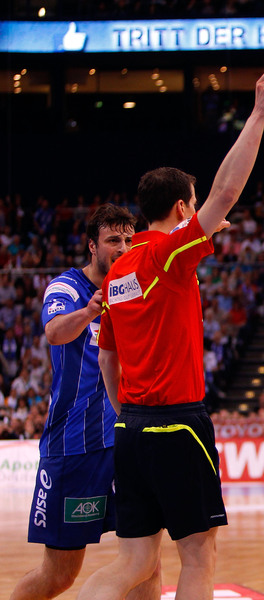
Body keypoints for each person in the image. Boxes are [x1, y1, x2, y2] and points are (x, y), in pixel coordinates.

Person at [76, 70, 264, 600]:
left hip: (131, 430)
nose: (199, 213)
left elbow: (106, 358)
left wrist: (126, 411)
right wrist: (259, 113)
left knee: (133, 562)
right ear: (181, 209)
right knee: (199, 556)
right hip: (178, 425)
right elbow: (227, 191)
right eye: (194, 206)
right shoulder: (166, 255)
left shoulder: (120, 271)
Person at [10, 204, 160, 600]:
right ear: (92, 245)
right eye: (113, 240)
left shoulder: (134, 287)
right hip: (74, 449)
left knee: (147, 562)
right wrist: (89, 310)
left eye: (128, 239)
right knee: (59, 575)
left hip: (127, 441)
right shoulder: (66, 288)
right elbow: (55, 333)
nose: (123, 248)